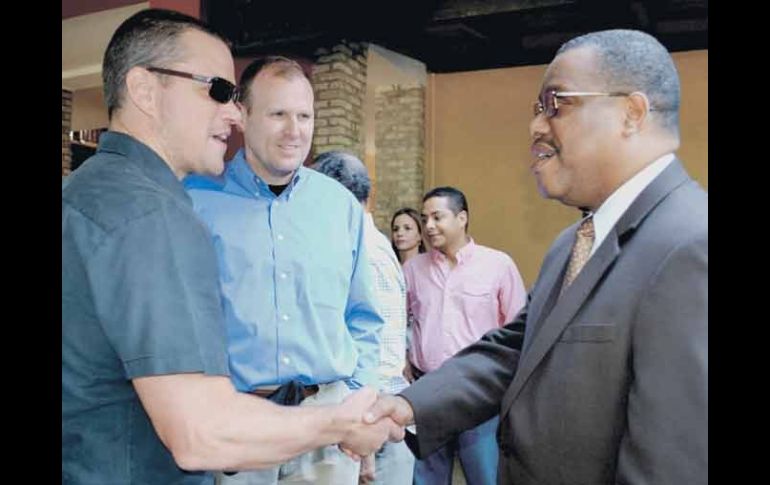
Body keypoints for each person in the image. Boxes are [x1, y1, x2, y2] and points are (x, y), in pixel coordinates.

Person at [62, 10, 395, 485]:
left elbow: (364, 318)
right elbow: (200, 432)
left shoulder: (93, 189)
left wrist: (347, 401)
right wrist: (341, 423)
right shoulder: (155, 212)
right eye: (218, 90)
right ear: (144, 90)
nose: (231, 112)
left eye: (304, 115)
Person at [367, 29, 708, 485]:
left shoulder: (690, 244)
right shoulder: (573, 243)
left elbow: (671, 466)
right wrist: (409, 405)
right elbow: (516, 350)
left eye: (557, 104)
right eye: (536, 109)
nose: (536, 126)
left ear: (631, 113)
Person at [184, 57, 385, 485]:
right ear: (243, 114)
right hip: (237, 425)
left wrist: (358, 403)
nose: (294, 131)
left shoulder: (339, 206)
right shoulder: (196, 200)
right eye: (278, 114)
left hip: (329, 427)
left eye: (304, 116)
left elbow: (364, 317)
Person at [402, 186, 526, 485]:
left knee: (485, 475)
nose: (428, 226)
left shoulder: (497, 265)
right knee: (425, 478)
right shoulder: (412, 269)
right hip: (426, 391)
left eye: (437, 217)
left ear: (462, 218)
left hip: (479, 392)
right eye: (424, 218)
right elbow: (396, 322)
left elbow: (520, 330)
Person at [311, 151, 416, 485]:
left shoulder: (362, 250)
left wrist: (367, 428)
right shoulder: (376, 244)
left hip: (371, 420)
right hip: (375, 410)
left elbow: (375, 345)